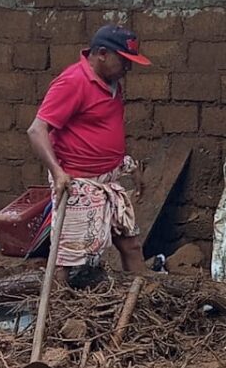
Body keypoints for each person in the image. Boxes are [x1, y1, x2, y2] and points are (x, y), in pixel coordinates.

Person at [26, 25, 153, 282]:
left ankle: (143, 299)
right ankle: (59, 312)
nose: (128, 69)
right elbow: (36, 130)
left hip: (109, 180)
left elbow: (104, 128)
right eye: (124, 61)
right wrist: (58, 172)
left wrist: (126, 165)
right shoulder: (73, 82)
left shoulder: (112, 82)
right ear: (103, 54)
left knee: (131, 245)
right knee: (69, 260)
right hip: (78, 183)